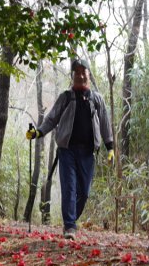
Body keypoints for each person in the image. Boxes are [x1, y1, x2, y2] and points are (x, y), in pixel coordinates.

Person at [26, 58, 115, 239]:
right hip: (67, 151)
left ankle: (71, 218)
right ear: (73, 76)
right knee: (69, 187)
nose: (80, 75)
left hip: (88, 153)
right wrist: (38, 133)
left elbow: (105, 123)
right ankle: (70, 226)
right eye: (77, 72)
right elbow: (51, 119)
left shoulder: (97, 99)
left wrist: (110, 147)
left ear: (89, 74)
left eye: (84, 72)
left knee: (84, 192)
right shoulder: (65, 98)